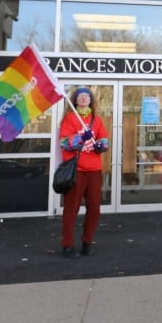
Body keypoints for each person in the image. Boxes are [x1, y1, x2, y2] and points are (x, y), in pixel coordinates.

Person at [59, 87, 110, 259]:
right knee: (71, 209)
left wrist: (101, 146)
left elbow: (105, 141)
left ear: (90, 100)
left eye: (86, 96)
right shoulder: (70, 118)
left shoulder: (97, 120)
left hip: (94, 170)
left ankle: (87, 243)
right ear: (75, 100)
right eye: (80, 96)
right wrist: (81, 138)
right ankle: (67, 246)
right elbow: (64, 143)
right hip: (76, 171)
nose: (83, 98)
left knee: (94, 208)